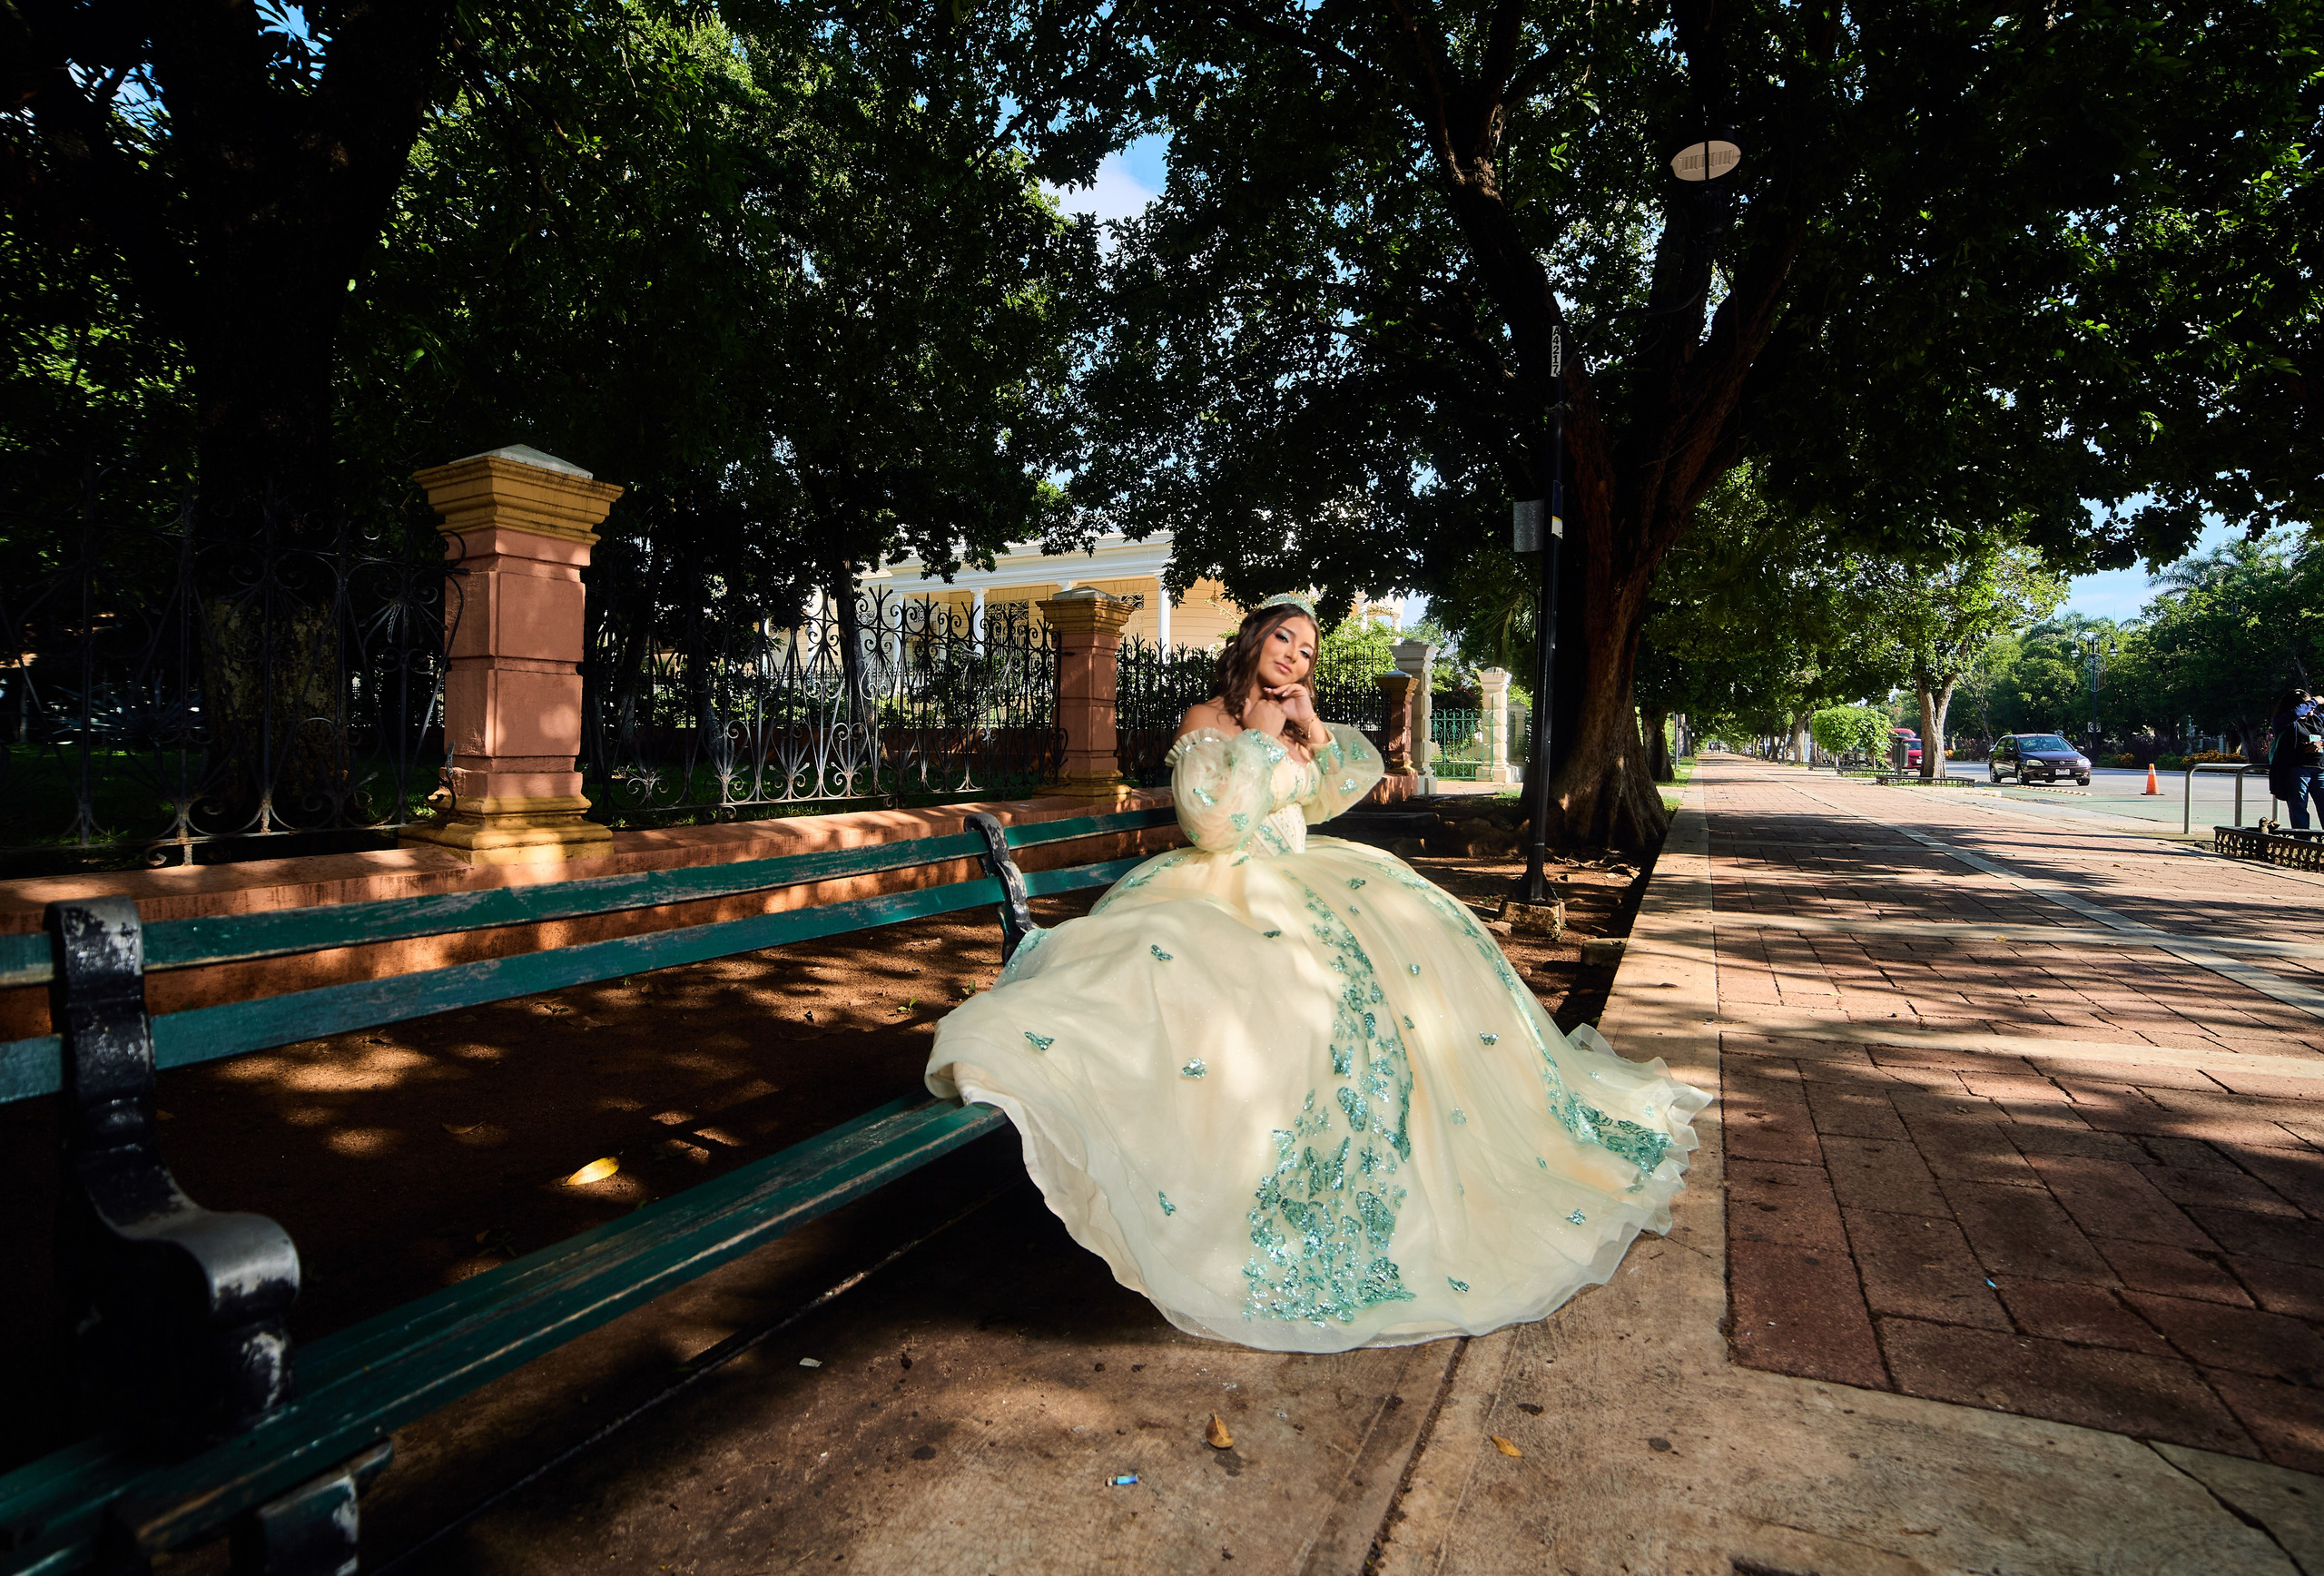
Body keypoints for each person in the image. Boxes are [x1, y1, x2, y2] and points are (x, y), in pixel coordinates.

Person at [924, 594, 1709, 1353]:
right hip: (1226, 884)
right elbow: (1212, 824)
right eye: (1285, 641)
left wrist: (1309, 730)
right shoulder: (1208, 720)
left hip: (1311, 878)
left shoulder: (1296, 725)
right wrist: (1259, 741)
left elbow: (1335, 795)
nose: (1296, 657)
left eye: (1308, 650)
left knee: (1402, 970)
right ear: (1253, 642)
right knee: (1203, 982)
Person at [2269, 687, 2324, 830]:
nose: (2312, 707)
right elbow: (2295, 712)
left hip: (2320, 769)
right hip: (2296, 769)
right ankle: (2302, 841)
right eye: (2307, 704)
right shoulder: (2283, 720)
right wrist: (2315, 700)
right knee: (2298, 806)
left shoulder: (2318, 719)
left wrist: (2321, 743)